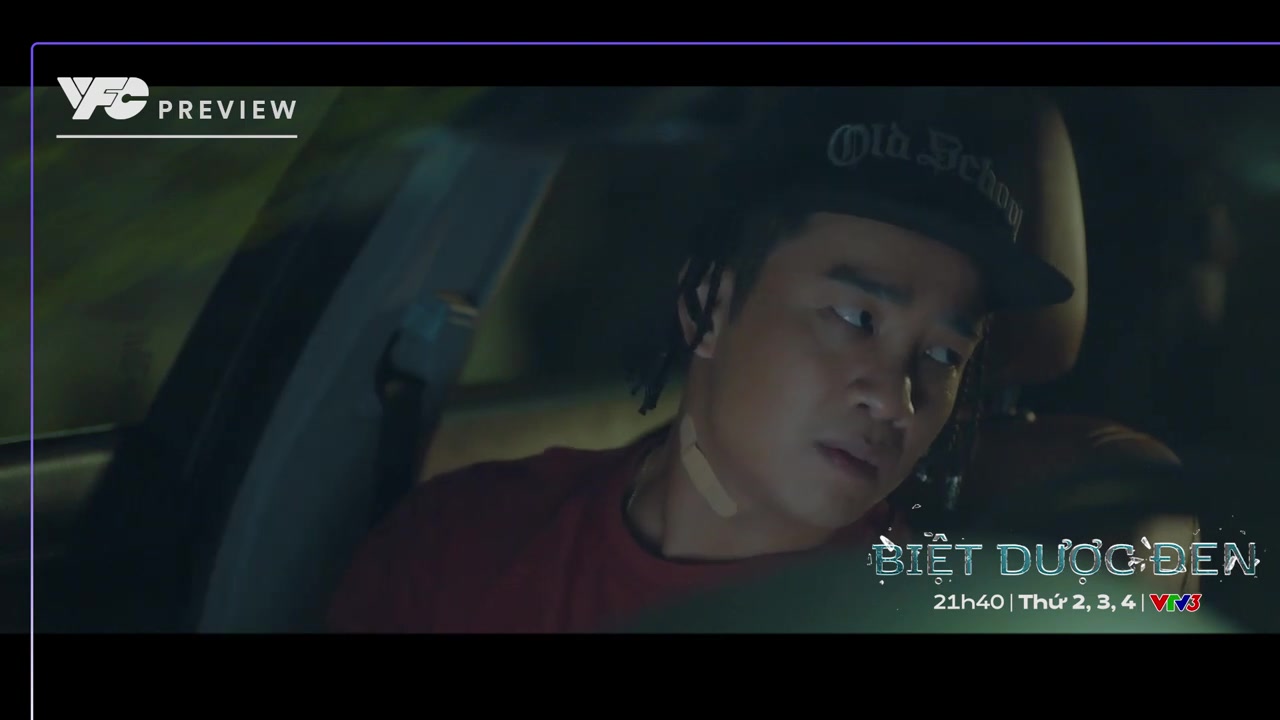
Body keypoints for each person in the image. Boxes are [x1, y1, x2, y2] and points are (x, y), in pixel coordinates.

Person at [327, 88, 1076, 633]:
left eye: (943, 354)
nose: (895, 399)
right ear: (709, 307)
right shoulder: (461, 545)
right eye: (856, 318)